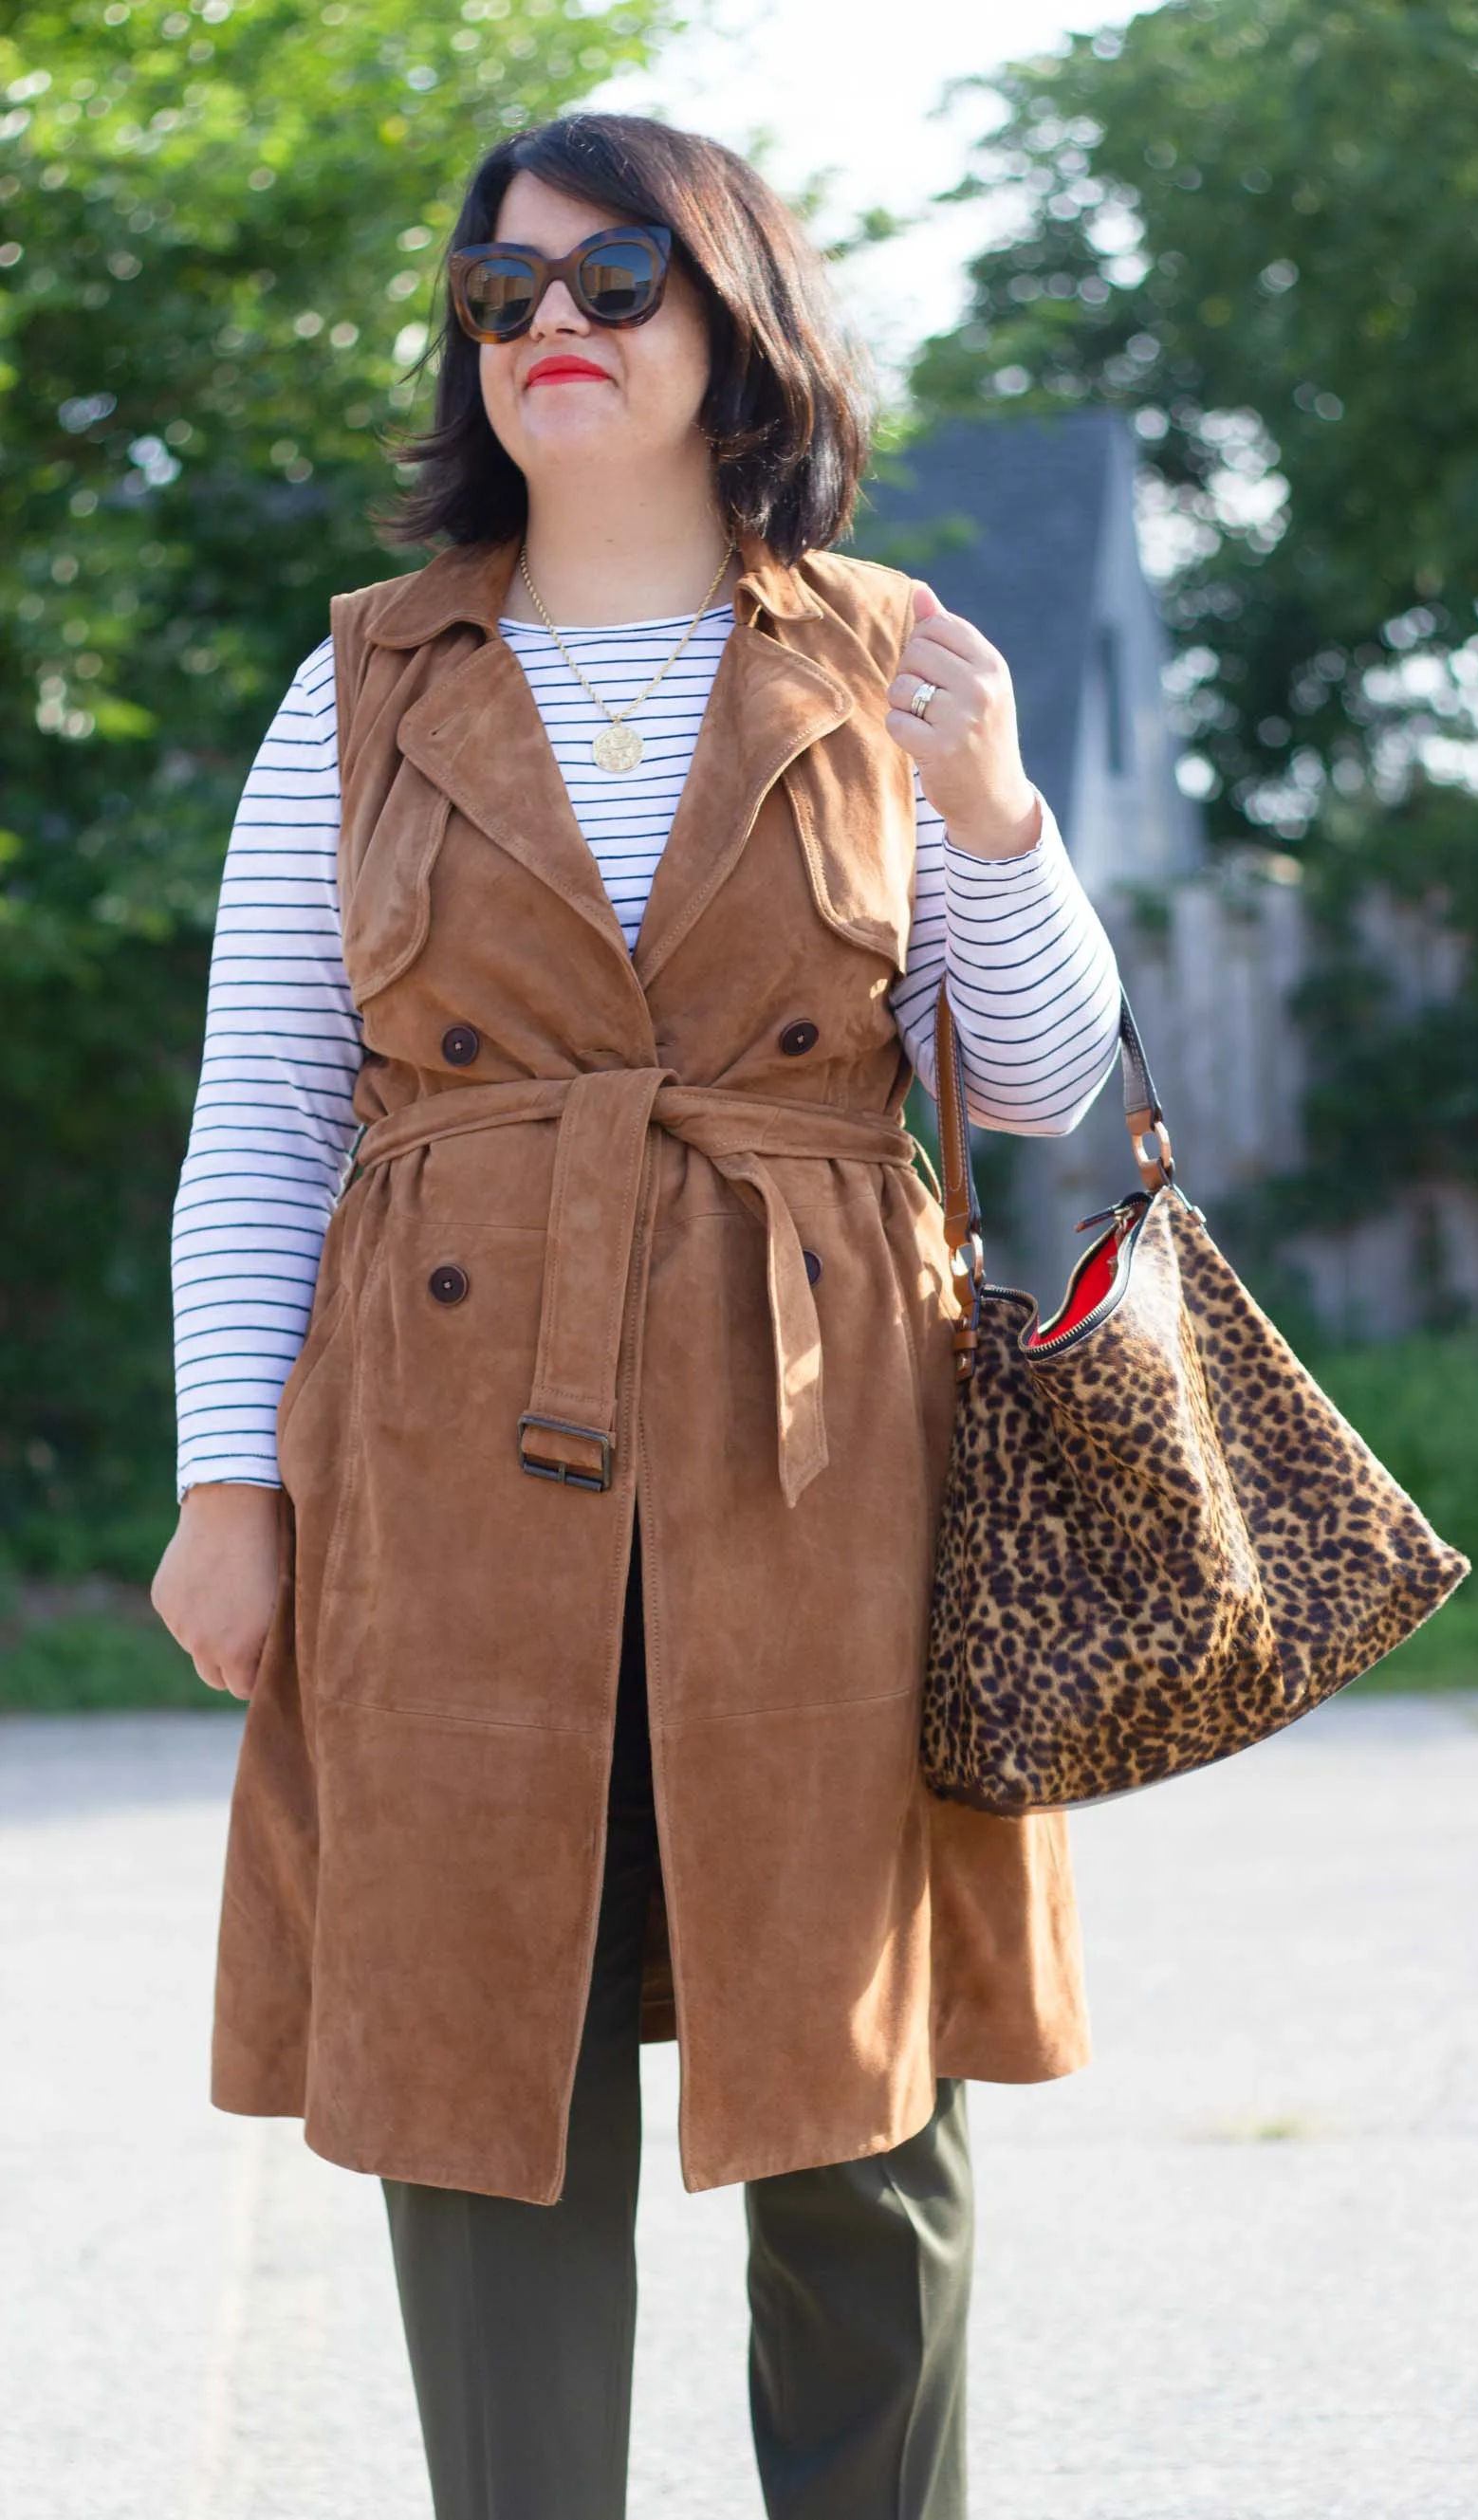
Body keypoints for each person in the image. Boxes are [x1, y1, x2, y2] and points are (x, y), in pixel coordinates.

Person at [152, 109, 1122, 2520]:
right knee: (472, 2046)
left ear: (731, 321)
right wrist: (221, 1481)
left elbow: (1034, 1082)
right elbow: (266, 1111)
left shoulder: (884, 652)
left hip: (824, 1452)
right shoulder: (363, 678)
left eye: (612, 284)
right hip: (442, 1443)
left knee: (852, 2084)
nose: (550, 329)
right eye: (504, 296)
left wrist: (993, 824)